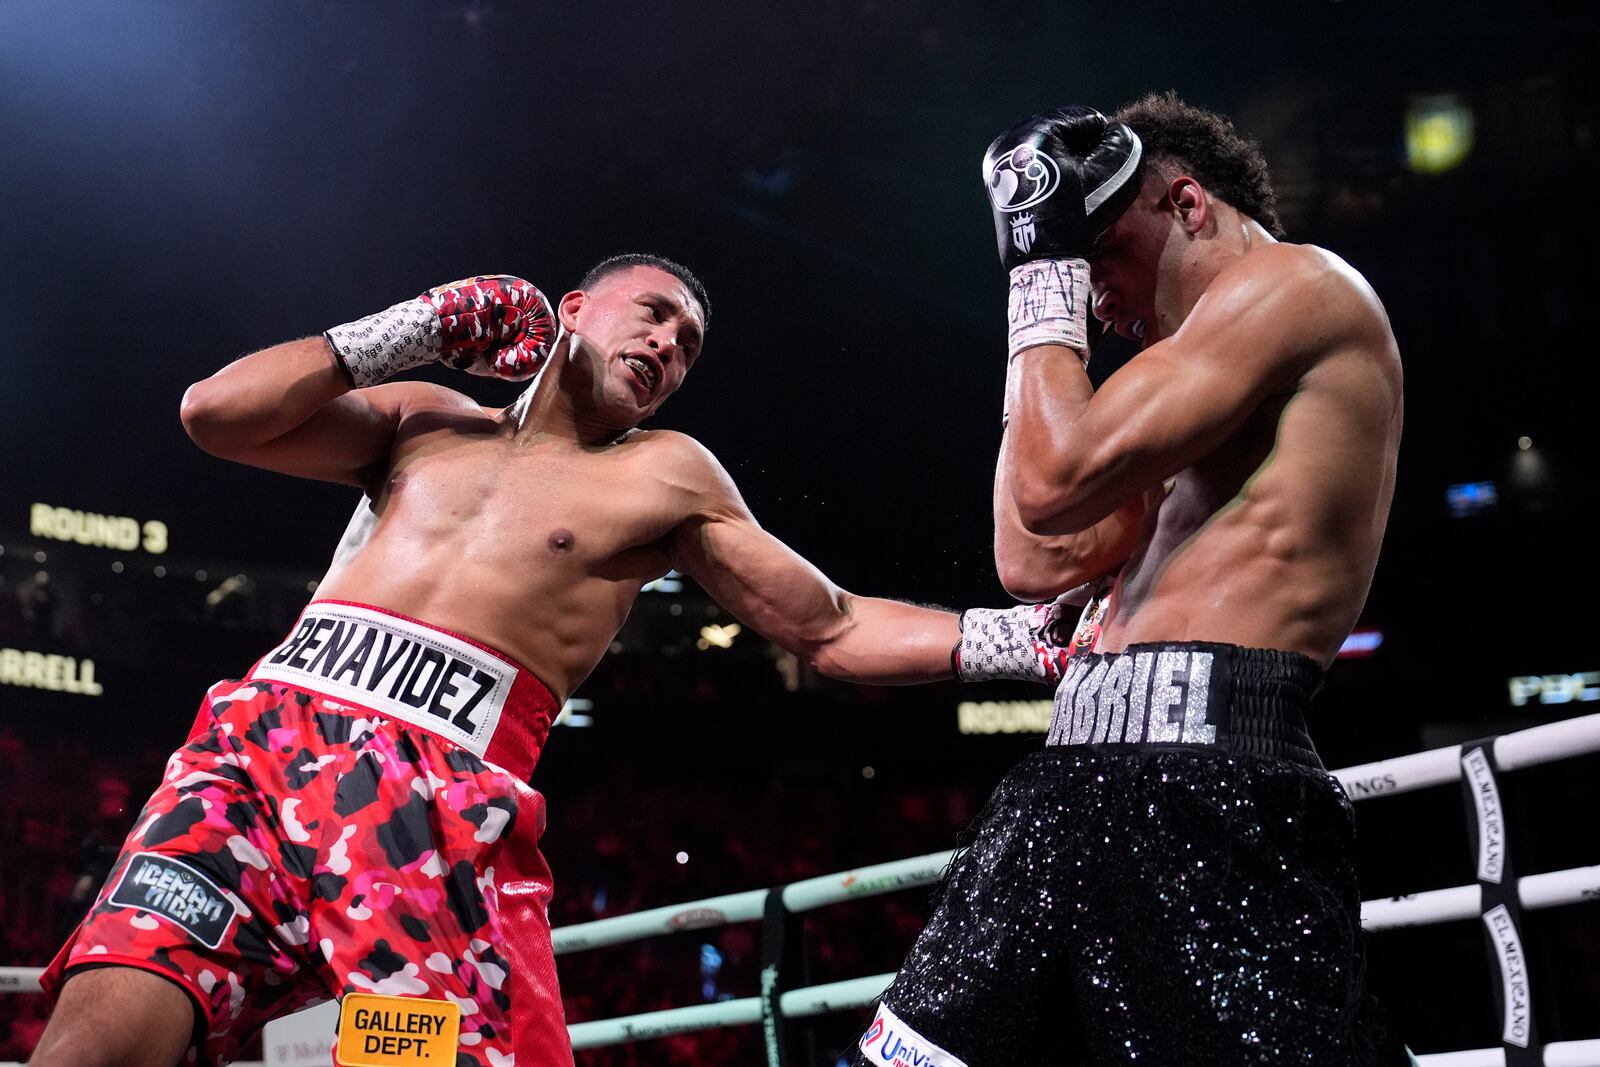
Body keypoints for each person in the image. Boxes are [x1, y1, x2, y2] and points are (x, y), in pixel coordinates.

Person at [29, 256, 1077, 1067]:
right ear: (571, 307)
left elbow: (833, 625)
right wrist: (422, 325)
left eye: (689, 345)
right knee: (99, 1025)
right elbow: (217, 414)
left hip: (421, 811)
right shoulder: (424, 420)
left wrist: (1025, 638)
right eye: (654, 313)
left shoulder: (664, 476)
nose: (669, 343)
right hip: (257, 748)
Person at [856, 95, 1409, 1066]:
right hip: (1071, 778)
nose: (1090, 294)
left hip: (1206, 777)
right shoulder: (1182, 381)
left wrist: (1039, 273)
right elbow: (1031, 554)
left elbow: (1049, 477)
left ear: (1186, 203)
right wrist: (1045, 292)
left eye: (1098, 250)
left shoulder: (1301, 284)